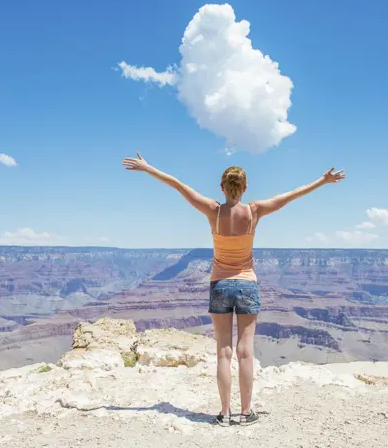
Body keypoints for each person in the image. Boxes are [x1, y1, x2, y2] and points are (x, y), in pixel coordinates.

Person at [122, 152, 345, 426]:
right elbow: (290, 196)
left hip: (219, 285)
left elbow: (178, 185)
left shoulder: (212, 211)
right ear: (245, 187)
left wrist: (147, 168)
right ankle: (245, 412)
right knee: (245, 352)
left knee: (224, 353)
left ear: (222, 188)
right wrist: (321, 181)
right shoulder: (254, 211)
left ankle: (224, 414)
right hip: (247, 284)